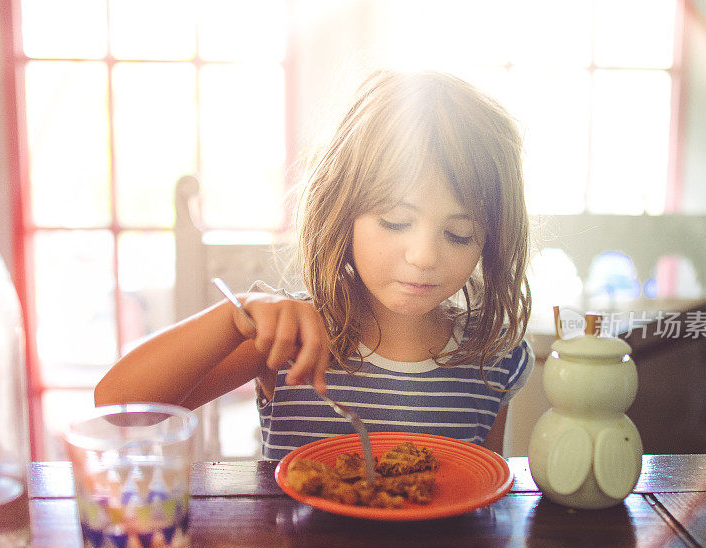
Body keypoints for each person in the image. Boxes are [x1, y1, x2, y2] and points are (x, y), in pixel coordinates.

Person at [95, 70, 534, 459]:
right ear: (342, 211)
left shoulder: (494, 356)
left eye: (459, 233)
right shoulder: (291, 339)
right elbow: (120, 408)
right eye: (396, 221)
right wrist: (236, 316)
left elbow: (483, 493)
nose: (424, 256)